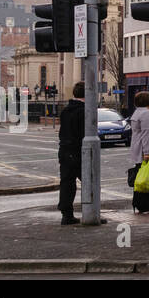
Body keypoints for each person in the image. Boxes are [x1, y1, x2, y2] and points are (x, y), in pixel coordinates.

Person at [57, 82, 86, 225]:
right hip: (78, 151)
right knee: (90, 182)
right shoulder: (84, 111)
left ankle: (66, 214)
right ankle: (91, 212)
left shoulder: (66, 110)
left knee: (67, 183)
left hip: (64, 150)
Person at [128, 91, 149, 214]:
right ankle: (145, 205)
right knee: (147, 177)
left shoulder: (137, 112)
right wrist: (148, 152)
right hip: (143, 149)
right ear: (146, 101)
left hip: (136, 147)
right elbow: (147, 134)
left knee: (140, 177)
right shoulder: (147, 114)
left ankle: (138, 203)